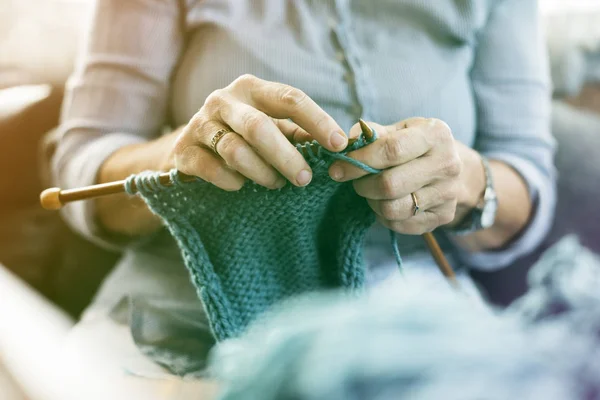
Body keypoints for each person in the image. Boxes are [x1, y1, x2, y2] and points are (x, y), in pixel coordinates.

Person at [51, 0, 556, 398]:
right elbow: (81, 169)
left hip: (412, 323)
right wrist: (180, 157)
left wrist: (466, 180)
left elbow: (527, 185)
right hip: (176, 319)